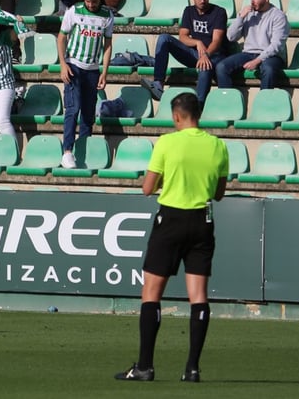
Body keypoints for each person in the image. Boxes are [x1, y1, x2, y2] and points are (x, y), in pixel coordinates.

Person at [114, 93, 229, 384]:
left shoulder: (167, 142)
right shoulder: (218, 146)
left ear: (176, 116)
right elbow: (219, 192)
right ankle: (192, 368)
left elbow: (147, 187)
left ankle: (144, 366)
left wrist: (170, 180)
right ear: (198, 114)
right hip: (202, 221)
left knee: (151, 293)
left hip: (171, 220)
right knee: (199, 296)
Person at [57, 0, 115, 169]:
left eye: (94, 1)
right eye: (88, 1)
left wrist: (104, 71)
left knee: (88, 115)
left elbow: (107, 45)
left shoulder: (107, 16)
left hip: (92, 69)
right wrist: (63, 64)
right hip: (74, 66)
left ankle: (82, 150)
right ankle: (67, 152)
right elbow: (62, 37)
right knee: (73, 110)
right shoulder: (74, 11)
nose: (91, 4)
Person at [142, 0, 227, 103]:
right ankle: (158, 84)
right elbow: (183, 36)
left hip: (214, 55)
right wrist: (197, 42)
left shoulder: (219, 12)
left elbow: (217, 41)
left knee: (205, 67)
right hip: (194, 53)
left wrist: (205, 55)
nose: (203, 0)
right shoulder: (189, 11)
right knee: (164, 38)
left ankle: (198, 105)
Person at [215, 0, 289, 90]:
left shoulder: (278, 16)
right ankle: (228, 100)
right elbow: (231, 37)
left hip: (272, 56)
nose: (252, 2)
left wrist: (257, 60)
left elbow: (276, 46)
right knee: (221, 67)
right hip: (248, 53)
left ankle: (263, 103)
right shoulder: (247, 13)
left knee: (268, 69)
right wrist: (240, 17)